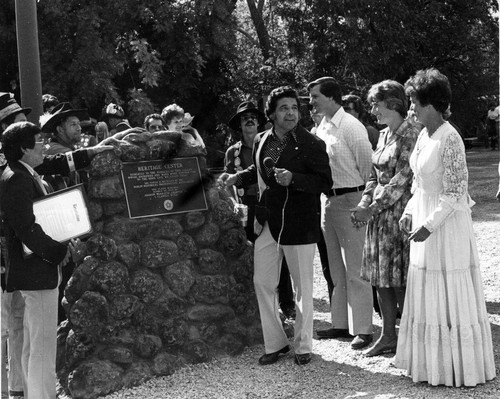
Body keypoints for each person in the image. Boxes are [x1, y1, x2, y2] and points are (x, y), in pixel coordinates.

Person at [395, 68, 496, 387]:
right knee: (426, 289)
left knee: (448, 288)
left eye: (414, 103)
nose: (410, 109)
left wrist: (429, 224)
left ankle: (457, 368)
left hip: (446, 225)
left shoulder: (450, 137)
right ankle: (430, 366)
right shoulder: (424, 134)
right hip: (426, 214)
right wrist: (410, 211)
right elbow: (419, 182)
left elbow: (455, 191)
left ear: (431, 104)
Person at [219, 86, 332, 366]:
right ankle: (277, 342)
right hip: (267, 220)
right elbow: (259, 170)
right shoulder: (261, 139)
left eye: (294, 107)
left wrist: (294, 178)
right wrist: (237, 178)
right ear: (271, 114)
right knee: (263, 282)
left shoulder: (312, 143)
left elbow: (324, 182)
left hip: (300, 223)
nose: (291, 113)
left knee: (303, 288)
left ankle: (303, 346)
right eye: (284, 108)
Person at [0, 121, 92, 399]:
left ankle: (32, 394)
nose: (43, 145)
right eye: (38, 141)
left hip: (35, 271)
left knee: (32, 343)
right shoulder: (17, 177)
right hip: (36, 271)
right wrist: (57, 252)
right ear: (25, 148)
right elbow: (25, 227)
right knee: (42, 346)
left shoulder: (22, 172)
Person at [349, 80, 420, 357]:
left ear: (393, 103)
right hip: (379, 217)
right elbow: (373, 176)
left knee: (399, 279)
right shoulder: (382, 135)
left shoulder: (411, 135)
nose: (372, 109)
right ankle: (388, 335)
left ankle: (411, 338)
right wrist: (364, 202)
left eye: (375, 104)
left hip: (398, 215)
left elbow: (402, 180)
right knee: (381, 278)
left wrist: (372, 207)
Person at [307, 77, 374, 350]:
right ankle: (340, 324)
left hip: (352, 200)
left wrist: (364, 205)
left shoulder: (351, 127)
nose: (311, 102)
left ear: (332, 97)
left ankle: (364, 329)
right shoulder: (322, 126)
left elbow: (369, 170)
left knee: (356, 269)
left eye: (315, 96)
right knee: (335, 268)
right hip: (329, 202)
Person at [225, 101, 295, 319]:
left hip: (271, 203)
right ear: (239, 124)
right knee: (253, 254)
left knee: (279, 252)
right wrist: (233, 204)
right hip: (247, 207)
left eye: (254, 117)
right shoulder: (233, 152)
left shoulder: (269, 143)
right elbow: (228, 182)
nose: (250, 120)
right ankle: (260, 305)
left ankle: (287, 303)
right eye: (245, 118)